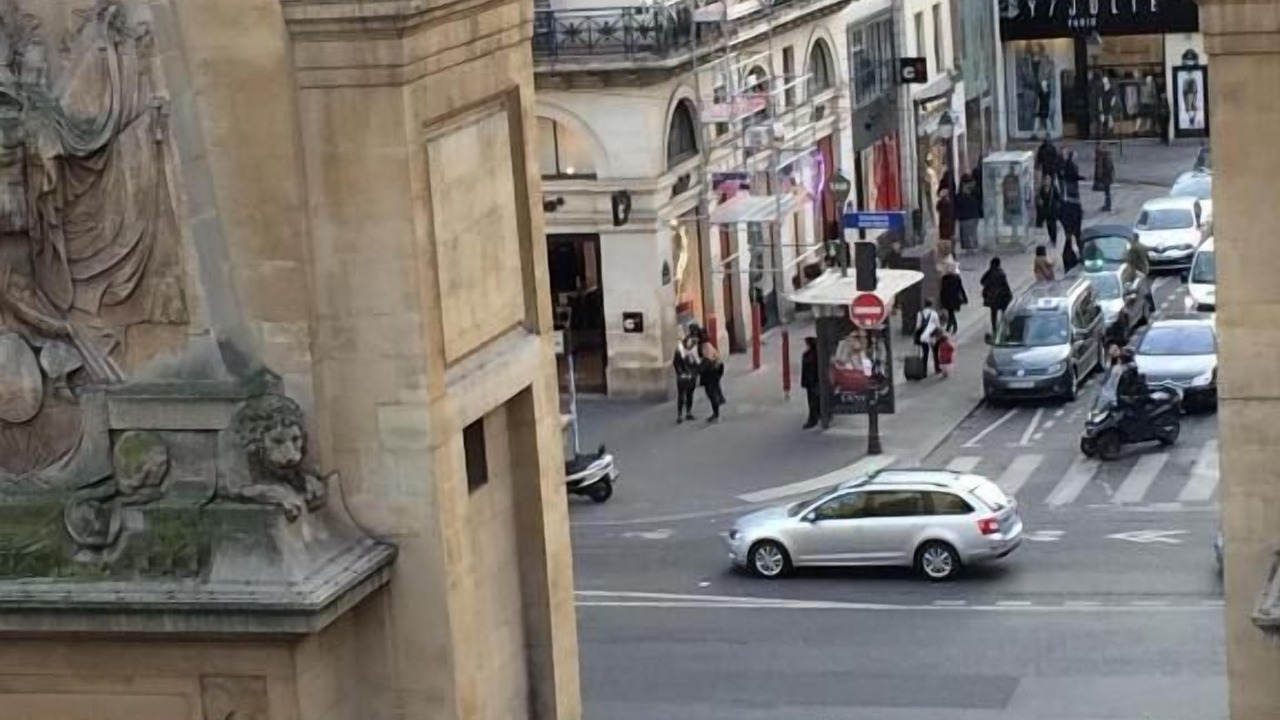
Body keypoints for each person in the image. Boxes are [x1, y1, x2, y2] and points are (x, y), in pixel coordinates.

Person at [980, 257, 1013, 336]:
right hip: (1002, 296)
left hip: (992, 297)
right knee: (1004, 312)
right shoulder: (1001, 273)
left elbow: (982, 281)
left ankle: (994, 329)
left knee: (993, 313)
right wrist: (1010, 294)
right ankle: (1006, 328)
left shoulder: (990, 273)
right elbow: (1005, 285)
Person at [673, 335, 699, 423]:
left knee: (690, 395)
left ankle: (689, 412)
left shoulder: (693, 352)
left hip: (692, 377)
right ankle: (679, 415)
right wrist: (681, 373)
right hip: (683, 378)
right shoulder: (679, 352)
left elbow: (696, 364)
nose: (691, 344)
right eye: (689, 342)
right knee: (681, 396)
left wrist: (695, 373)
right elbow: (677, 364)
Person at [939, 258, 968, 334]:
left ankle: (951, 326)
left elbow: (942, 289)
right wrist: (964, 297)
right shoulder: (956, 278)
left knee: (950, 312)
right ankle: (952, 326)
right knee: (951, 312)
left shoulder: (944, 278)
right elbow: (960, 288)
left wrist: (941, 299)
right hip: (955, 298)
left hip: (947, 298)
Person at [699, 340, 725, 422]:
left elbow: (701, 370)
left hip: (709, 382)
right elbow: (721, 370)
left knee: (712, 397)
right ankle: (716, 414)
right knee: (714, 397)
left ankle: (716, 415)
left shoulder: (706, 361)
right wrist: (718, 377)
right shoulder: (715, 359)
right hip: (715, 381)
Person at [955, 174, 982, 253]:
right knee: (966, 234)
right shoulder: (961, 195)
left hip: (972, 215)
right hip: (965, 216)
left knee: (972, 233)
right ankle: (969, 248)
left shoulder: (974, 192)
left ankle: (972, 247)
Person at [914, 300, 942, 375]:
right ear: (931, 305)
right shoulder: (934, 313)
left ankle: (924, 371)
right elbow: (937, 325)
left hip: (923, 336)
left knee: (925, 353)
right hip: (932, 336)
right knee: (935, 352)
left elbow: (918, 326)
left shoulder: (920, 314)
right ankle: (937, 368)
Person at [800, 337, 820, 429]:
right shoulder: (817, 355)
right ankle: (817, 415)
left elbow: (805, 370)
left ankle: (813, 419)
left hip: (812, 382)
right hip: (813, 382)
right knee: (814, 400)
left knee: (812, 401)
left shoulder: (808, 355)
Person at [1036, 177, 1061, 247]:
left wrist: (1056, 206)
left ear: (1050, 181)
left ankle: (1054, 240)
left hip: (1052, 211)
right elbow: (1040, 198)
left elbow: (1058, 198)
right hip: (1046, 211)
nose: (1046, 181)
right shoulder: (1042, 189)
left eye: (1047, 180)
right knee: (1048, 226)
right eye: (1045, 180)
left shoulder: (1053, 188)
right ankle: (1051, 238)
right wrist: (1040, 202)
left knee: (1053, 226)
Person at [1094, 142, 1116, 212]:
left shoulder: (1104, 157)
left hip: (1106, 177)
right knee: (1107, 192)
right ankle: (1107, 205)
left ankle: (1108, 206)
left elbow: (1107, 168)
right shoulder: (1104, 156)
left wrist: (1102, 176)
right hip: (1107, 177)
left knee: (1107, 192)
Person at [936, 185, 956, 259]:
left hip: (943, 223)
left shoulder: (941, 203)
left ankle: (945, 253)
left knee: (944, 238)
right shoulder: (947, 203)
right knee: (949, 239)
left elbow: (937, 209)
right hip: (948, 224)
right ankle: (949, 253)